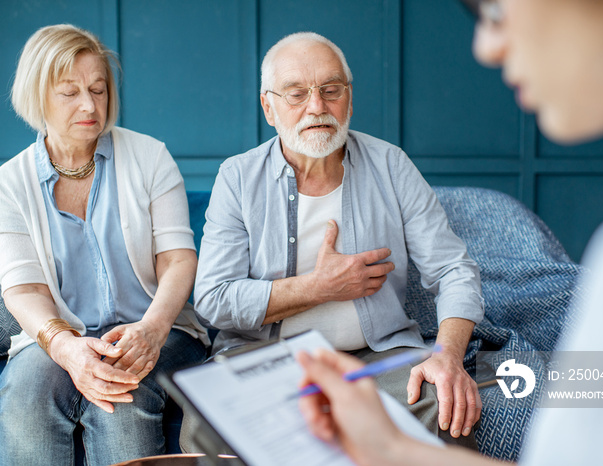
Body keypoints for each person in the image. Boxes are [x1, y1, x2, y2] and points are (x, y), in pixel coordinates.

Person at [296, 0, 603, 465]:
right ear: (269, 107)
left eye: (493, 11)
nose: (486, 48)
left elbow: (454, 270)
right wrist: (388, 447)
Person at [193, 31, 485, 446]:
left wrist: (447, 356)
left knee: (445, 404)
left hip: (377, 359)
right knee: (210, 428)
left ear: (349, 97)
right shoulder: (238, 178)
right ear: (268, 107)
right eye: (296, 94)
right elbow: (213, 300)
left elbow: (454, 269)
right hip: (263, 359)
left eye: (331, 90)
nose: (317, 107)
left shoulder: (390, 164)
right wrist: (318, 288)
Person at [0, 24, 209, 465]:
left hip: (159, 330)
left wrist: (151, 328)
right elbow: (23, 289)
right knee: (25, 397)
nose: (90, 105)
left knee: (119, 399)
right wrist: (66, 347)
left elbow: (178, 259)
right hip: (55, 337)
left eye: (98, 89)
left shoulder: (150, 156)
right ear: (38, 97)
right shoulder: (7, 184)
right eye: (70, 92)